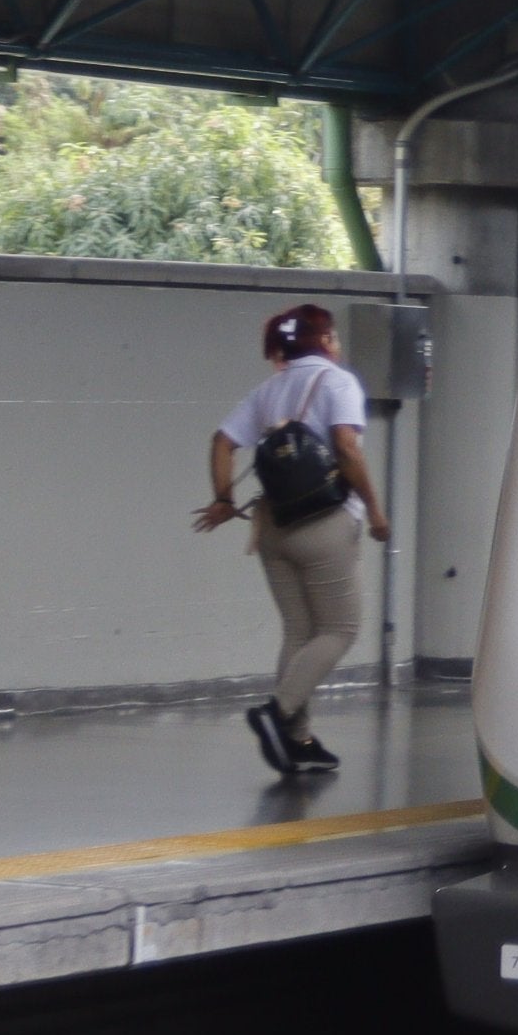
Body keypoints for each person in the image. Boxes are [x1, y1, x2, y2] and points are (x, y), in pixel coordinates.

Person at [196, 304, 387, 777]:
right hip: (325, 524)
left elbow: (222, 440)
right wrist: (376, 511)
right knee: (340, 630)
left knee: (300, 632)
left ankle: (298, 739)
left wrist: (223, 497)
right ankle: (276, 714)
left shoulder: (269, 389)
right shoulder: (338, 382)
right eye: (334, 337)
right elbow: (345, 446)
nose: (337, 344)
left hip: (273, 528)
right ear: (324, 341)